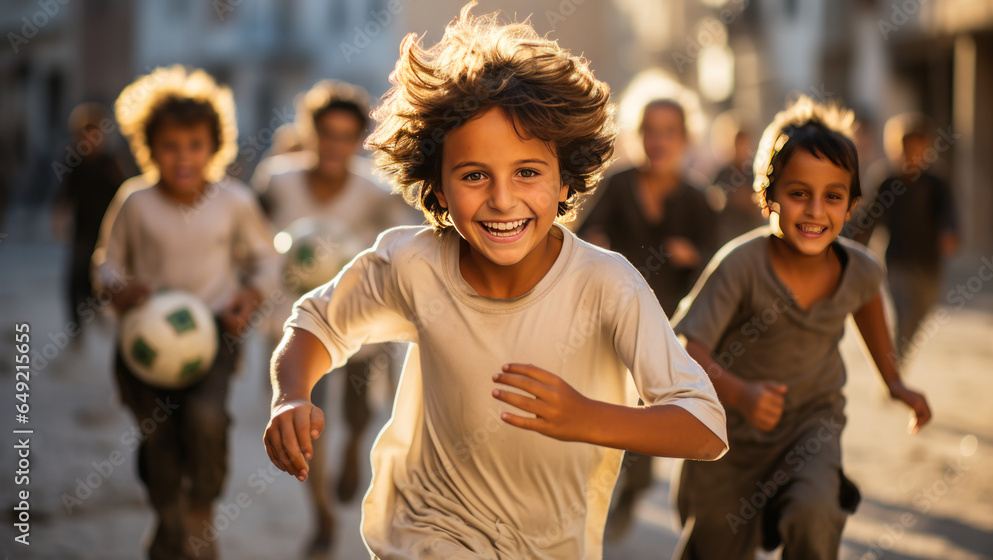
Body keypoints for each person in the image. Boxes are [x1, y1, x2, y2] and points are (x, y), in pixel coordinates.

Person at [263, 4, 728, 559]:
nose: (503, 199)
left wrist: (588, 417)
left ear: (566, 180)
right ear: (435, 187)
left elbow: (704, 425)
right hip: (425, 533)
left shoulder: (609, 285)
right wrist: (290, 396)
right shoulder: (414, 264)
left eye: (527, 172)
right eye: (474, 175)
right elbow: (316, 321)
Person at [669, 95, 932, 560]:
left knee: (815, 514)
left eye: (832, 196)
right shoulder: (741, 266)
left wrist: (894, 382)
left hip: (812, 429)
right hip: (727, 441)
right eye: (798, 194)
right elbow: (690, 346)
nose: (815, 211)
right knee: (714, 548)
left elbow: (869, 308)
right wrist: (741, 393)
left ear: (851, 205)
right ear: (767, 197)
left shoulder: (861, 269)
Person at [93, 65, 279, 560]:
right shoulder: (135, 201)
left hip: (213, 334)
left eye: (195, 145)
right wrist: (119, 288)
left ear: (214, 146)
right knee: (157, 437)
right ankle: (167, 516)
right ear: (148, 147)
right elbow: (105, 264)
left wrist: (251, 296)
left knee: (206, 420)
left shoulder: (235, 202)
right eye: (170, 146)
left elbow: (266, 260)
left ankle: (199, 508)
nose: (183, 157)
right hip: (143, 341)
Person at [251, 79, 418, 554]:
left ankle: (353, 449)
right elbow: (252, 239)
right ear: (311, 133)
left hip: (361, 325)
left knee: (359, 414)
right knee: (305, 423)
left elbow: (403, 241)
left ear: (357, 140)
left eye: (346, 136)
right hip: (294, 322)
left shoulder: (375, 190)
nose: (335, 146)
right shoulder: (275, 181)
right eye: (327, 134)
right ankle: (322, 514)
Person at [577, 97, 717, 536]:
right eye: (650, 131)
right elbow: (582, 237)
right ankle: (612, 491)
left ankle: (635, 488)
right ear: (639, 136)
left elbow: (717, 266)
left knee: (651, 406)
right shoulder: (619, 185)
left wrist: (692, 255)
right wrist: (595, 239)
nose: (659, 141)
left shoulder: (698, 199)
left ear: (684, 139)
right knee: (616, 403)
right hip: (614, 317)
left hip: (671, 326)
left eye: (669, 132)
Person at [849, 113, 959, 364]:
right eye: (906, 149)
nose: (912, 155)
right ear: (895, 149)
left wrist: (950, 234)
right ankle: (892, 369)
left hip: (929, 264)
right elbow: (869, 220)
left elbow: (949, 216)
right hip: (897, 261)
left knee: (920, 314)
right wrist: (855, 247)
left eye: (918, 149)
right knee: (903, 315)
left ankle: (895, 363)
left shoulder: (936, 183)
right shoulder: (887, 181)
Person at [52, 103, 130, 338]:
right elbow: (64, 194)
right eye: (84, 133)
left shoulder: (110, 163)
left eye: (94, 133)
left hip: (106, 231)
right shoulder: (74, 162)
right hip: (82, 229)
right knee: (74, 276)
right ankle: (76, 327)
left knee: (98, 276)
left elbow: (123, 196)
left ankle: (99, 314)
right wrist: (59, 218)